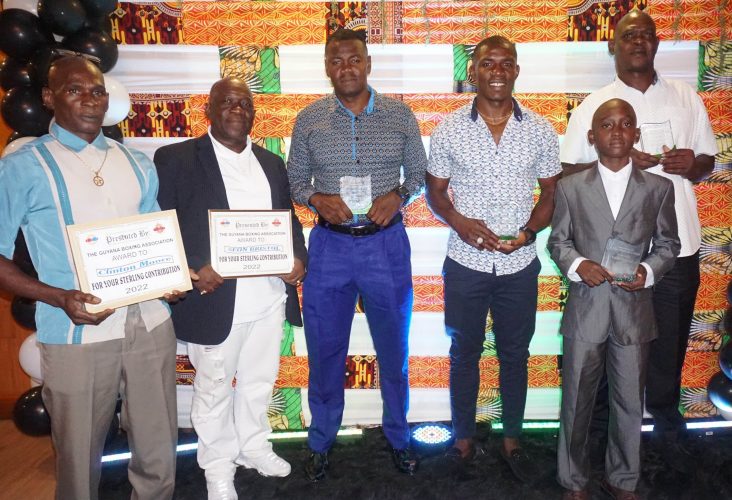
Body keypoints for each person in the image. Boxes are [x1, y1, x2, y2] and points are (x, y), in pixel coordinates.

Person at [0, 56, 179, 500]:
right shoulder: (24, 165)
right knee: (79, 458)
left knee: (158, 446)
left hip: (150, 322)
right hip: (77, 331)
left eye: (96, 91)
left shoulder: (136, 161)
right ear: (48, 97)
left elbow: (155, 236)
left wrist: (174, 274)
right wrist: (59, 297)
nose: (88, 100)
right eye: (74, 90)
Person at [560, 9, 718, 472]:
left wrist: (692, 163)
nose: (639, 42)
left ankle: (665, 435)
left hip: (675, 249)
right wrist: (626, 165)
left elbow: (707, 160)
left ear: (656, 44)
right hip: (608, 259)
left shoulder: (686, 97)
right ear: (613, 44)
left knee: (667, 349)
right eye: (629, 35)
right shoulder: (595, 103)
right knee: (605, 354)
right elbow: (569, 173)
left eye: (648, 35)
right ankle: (605, 447)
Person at [155, 78, 307, 500]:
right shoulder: (177, 159)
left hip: (269, 297)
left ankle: (253, 446)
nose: (237, 109)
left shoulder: (271, 163)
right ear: (209, 109)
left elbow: (288, 223)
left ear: (254, 112)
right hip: (214, 300)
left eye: (245, 103)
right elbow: (160, 226)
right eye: (227, 102)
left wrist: (298, 261)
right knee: (214, 389)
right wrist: (188, 270)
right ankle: (218, 468)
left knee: (259, 380)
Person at [287, 28, 427, 481]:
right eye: (336, 61)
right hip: (329, 247)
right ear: (327, 67)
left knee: (394, 350)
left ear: (368, 64)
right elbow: (294, 181)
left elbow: (421, 173)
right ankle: (321, 441)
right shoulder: (308, 119)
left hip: (385, 245)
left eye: (354, 60)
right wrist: (315, 199)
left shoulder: (400, 115)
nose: (346, 68)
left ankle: (400, 438)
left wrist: (400, 195)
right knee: (325, 349)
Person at [425, 35, 561, 482]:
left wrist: (529, 233)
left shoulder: (540, 129)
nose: (497, 70)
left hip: (519, 266)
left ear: (517, 70)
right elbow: (436, 193)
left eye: (505, 63)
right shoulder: (449, 128)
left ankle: (512, 440)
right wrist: (460, 223)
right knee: (463, 352)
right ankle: (463, 440)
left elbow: (550, 194)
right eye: (487, 63)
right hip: (465, 263)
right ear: (474, 72)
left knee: (515, 354)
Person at [549, 98, 680, 500]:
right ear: (592, 136)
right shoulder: (570, 186)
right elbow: (558, 242)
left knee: (628, 401)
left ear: (636, 134)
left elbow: (669, 244)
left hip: (632, 311)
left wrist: (648, 272)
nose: (617, 131)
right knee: (576, 399)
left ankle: (622, 479)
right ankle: (573, 479)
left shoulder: (659, 188)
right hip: (586, 309)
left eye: (626, 124)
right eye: (607, 124)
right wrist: (578, 265)